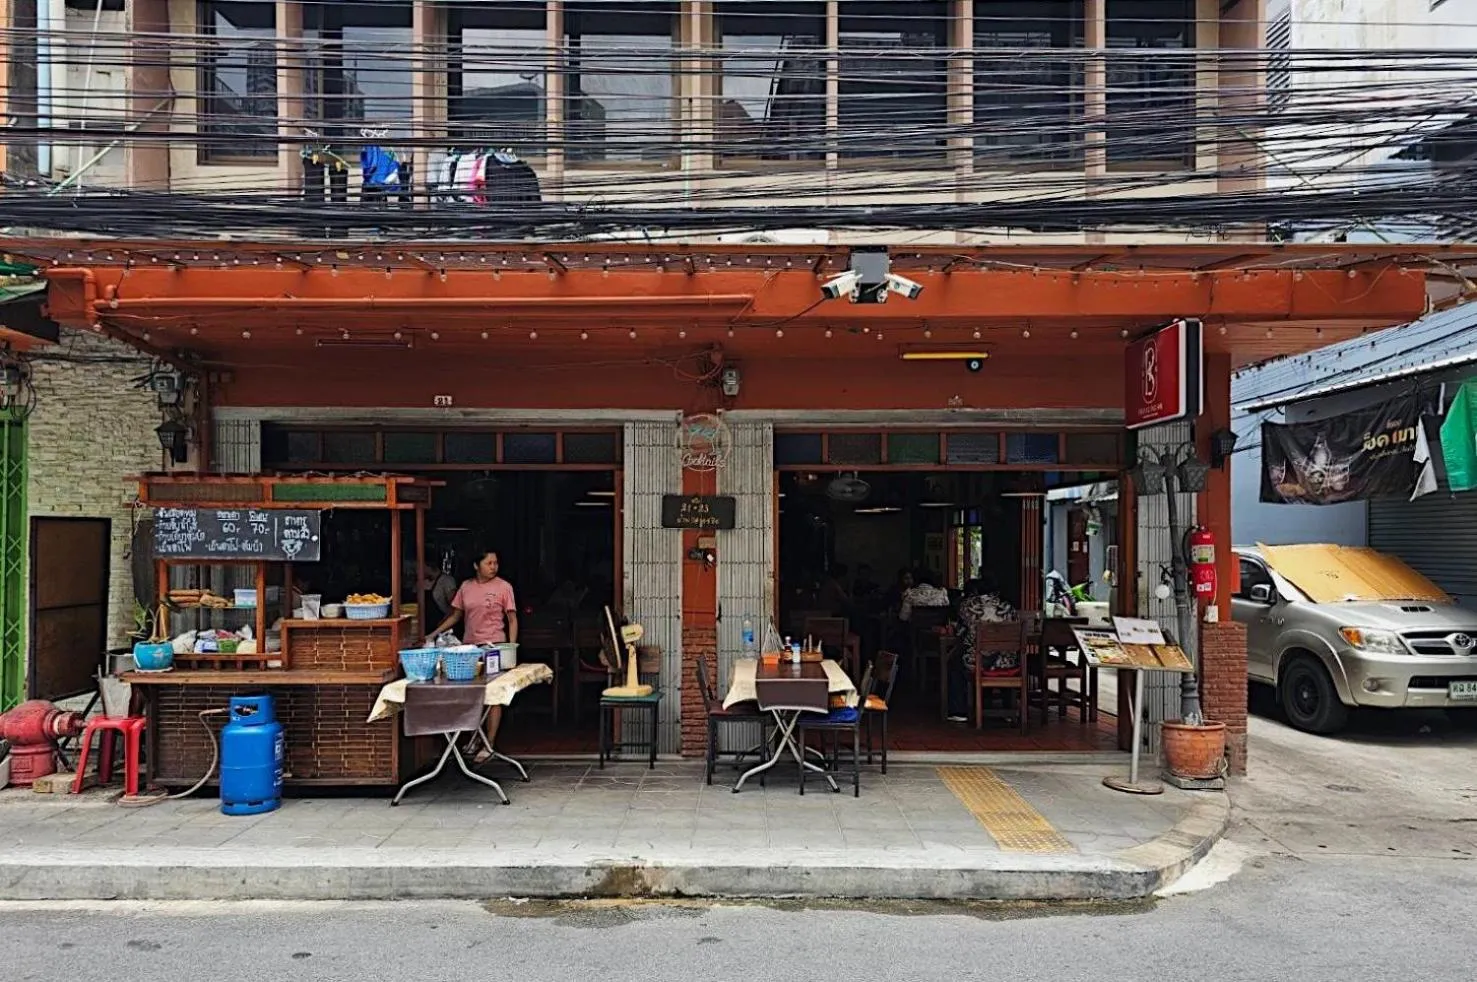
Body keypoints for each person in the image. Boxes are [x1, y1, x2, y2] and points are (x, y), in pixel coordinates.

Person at [426, 549, 520, 756]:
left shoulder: (504, 587)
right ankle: (476, 738)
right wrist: (432, 635)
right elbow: (455, 616)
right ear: (476, 566)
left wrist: (510, 647)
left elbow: (512, 619)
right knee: (471, 694)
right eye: (489, 563)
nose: (494, 567)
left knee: (493, 695)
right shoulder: (466, 587)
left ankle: (489, 744)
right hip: (469, 648)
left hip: (494, 646)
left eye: (496, 563)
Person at [946, 574, 1018, 722]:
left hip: (977, 661)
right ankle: (1008, 710)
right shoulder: (1008, 607)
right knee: (1001, 656)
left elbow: (961, 628)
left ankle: (959, 711)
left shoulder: (968, 605)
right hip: (1005, 662)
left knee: (954, 664)